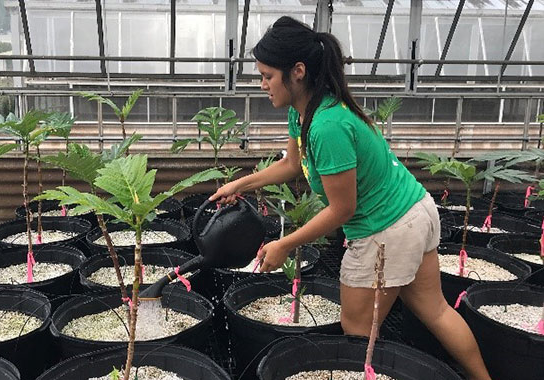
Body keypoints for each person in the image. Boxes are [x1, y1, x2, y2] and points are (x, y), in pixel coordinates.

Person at [209, 16, 492, 380]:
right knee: (434, 310)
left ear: (297, 71)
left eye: (267, 76)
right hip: (414, 209)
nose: (262, 84)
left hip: (387, 228)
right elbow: (292, 165)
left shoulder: (328, 127)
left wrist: (284, 244)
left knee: (357, 334)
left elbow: (344, 209)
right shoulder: (306, 113)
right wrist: (239, 185)